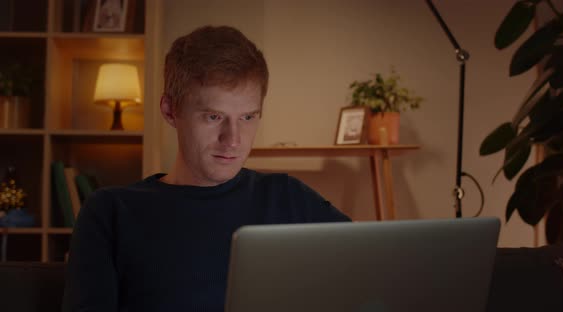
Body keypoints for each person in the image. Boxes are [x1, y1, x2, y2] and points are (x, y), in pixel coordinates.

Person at [62, 25, 350, 312]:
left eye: (248, 117)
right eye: (213, 117)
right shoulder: (110, 213)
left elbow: (373, 276)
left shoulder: (288, 197)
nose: (233, 140)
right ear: (170, 111)